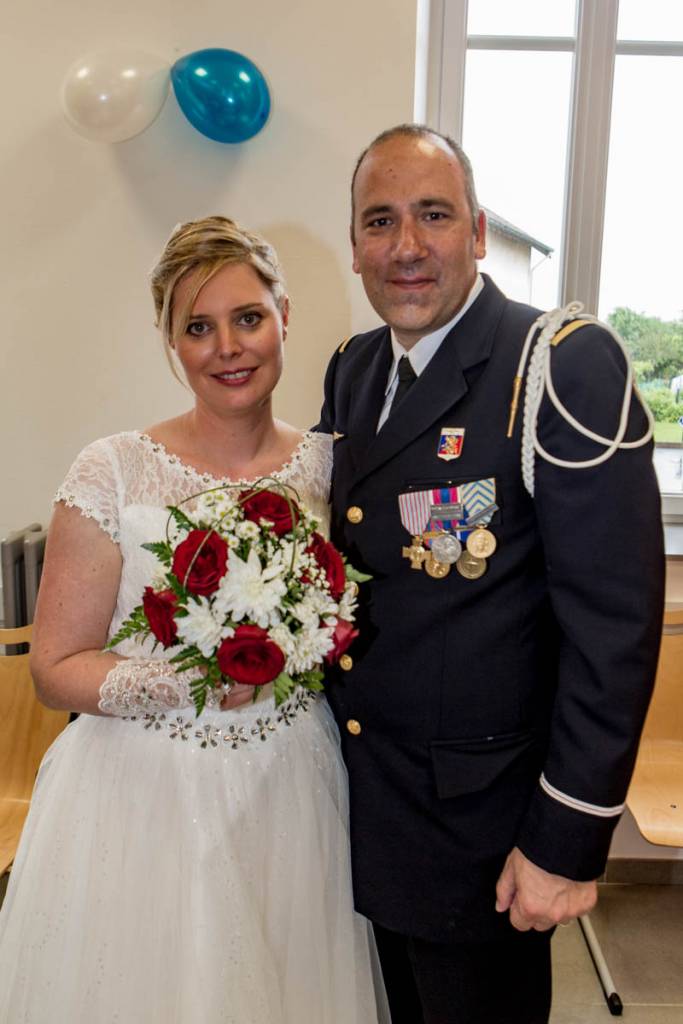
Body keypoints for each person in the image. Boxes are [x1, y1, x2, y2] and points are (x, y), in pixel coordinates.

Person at [316, 124, 665, 1024]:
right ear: (353, 246)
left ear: (476, 232)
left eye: (432, 215)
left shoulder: (557, 364)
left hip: (485, 831)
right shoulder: (354, 370)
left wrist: (566, 839)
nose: (405, 245)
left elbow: (612, 629)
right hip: (368, 804)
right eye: (379, 221)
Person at [0, 217, 387, 1024]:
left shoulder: (331, 467)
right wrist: (193, 678)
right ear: (170, 342)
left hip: (293, 786)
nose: (227, 348)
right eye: (197, 328)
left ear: (284, 316)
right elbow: (55, 668)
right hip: (142, 797)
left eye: (247, 317)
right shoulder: (112, 470)